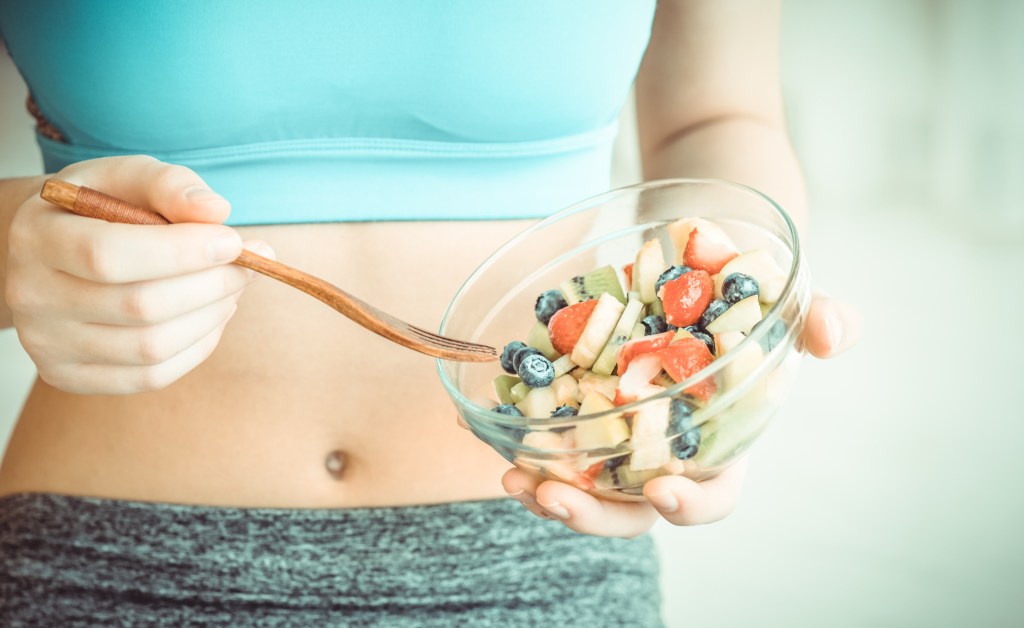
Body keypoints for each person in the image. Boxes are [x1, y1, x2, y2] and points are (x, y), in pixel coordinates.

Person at [0, 1, 861, 625]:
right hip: (106, 564)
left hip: (541, 563)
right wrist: (12, 254)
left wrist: (735, 333)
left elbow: (717, 116)